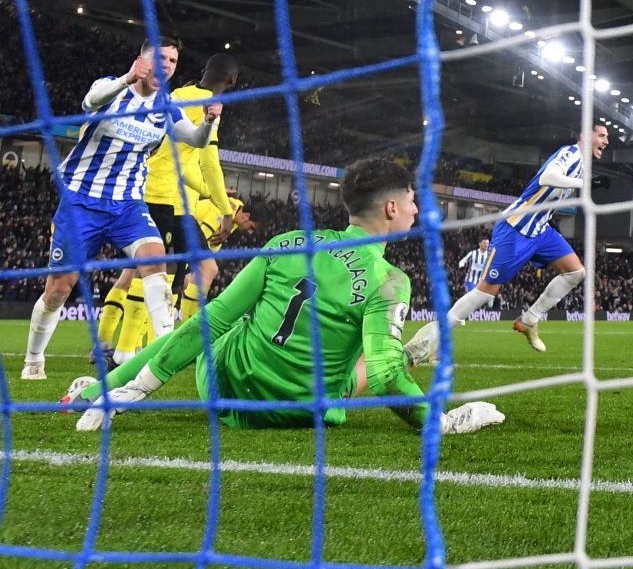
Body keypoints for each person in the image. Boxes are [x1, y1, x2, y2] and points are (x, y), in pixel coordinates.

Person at [62, 157, 503, 436]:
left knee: (227, 322)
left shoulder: (287, 243)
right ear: (391, 208)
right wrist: (441, 423)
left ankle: (104, 390)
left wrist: (123, 386)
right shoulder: (389, 281)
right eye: (411, 201)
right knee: (364, 359)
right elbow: (386, 378)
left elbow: (209, 322)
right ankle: (410, 353)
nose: (414, 210)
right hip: (303, 410)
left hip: (226, 394)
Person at [19, 38, 219, 381]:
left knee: (155, 258)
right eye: (160, 58)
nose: (167, 65)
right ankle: (34, 359)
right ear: (141, 61)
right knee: (58, 290)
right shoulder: (110, 88)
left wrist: (209, 122)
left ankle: (164, 349)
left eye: (172, 60)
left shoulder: (167, 106)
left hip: (128, 204)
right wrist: (126, 79)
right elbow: (91, 101)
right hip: (82, 201)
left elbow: (196, 139)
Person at [412, 124, 609, 356]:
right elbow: (548, 176)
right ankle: (427, 342)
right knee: (484, 294)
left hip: (540, 230)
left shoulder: (583, 165)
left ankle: (529, 320)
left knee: (576, 273)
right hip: (515, 227)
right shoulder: (571, 153)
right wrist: (583, 184)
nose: (606, 141)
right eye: (602, 136)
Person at [96, 52, 238, 364]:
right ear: (231, 81)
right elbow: (208, 163)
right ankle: (125, 353)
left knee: (162, 271)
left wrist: (213, 196)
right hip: (160, 197)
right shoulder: (207, 105)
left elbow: (185, 166)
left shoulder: (177, 95)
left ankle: (126, 343)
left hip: (165, 197)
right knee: (157, 272)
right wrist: (224, 208)